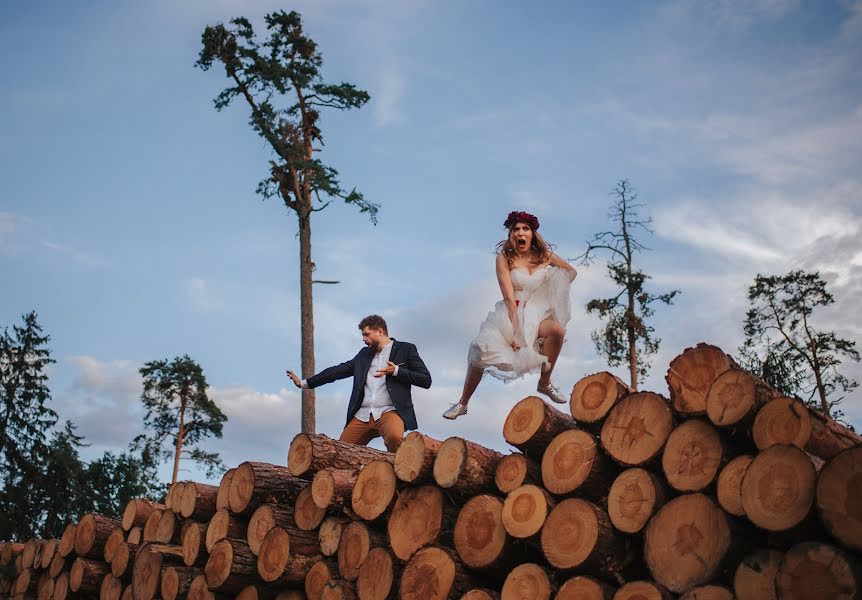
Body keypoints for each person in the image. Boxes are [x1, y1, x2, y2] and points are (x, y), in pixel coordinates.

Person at [443, 211, 577, 419]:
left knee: (557, 331)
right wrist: (518, 333)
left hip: (537, 313)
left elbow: (571, 272)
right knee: (480, 349)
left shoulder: (545, 256)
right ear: (511, 234)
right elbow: (507, 297)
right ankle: (463, 403)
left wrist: (552, 285)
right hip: (511, 312)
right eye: (516, 229)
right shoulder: (504, 259)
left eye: (525, 229)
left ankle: (544, 383)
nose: (520, 233)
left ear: (533, 233)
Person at [286, 315, 431, 452]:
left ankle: (400, 474)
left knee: (395, 438)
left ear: (380, 331)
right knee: (341, 451)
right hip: (362, 414)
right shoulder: (363, 354)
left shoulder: (406, 349)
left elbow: (425, 379)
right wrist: (305, 383)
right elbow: (337, 371)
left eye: (366, 334)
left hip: (389, 411)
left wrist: (397, 371)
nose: (363, 339)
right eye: (363, 335)